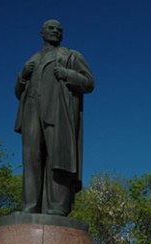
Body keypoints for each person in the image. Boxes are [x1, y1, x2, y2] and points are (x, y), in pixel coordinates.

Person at [15, 19, 95, 216]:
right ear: (42, 33)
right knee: (31, 159)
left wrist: (67, 74)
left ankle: (57, 207)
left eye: (59, 30)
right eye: (51, 28)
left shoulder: (71, 56)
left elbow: (89, 83)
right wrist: (22, 75)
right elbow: (19, 92)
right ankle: (30, 206)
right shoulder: (32, 60)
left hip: (58, 113)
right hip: (32, 112)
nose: (56, 31)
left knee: (57, 159)